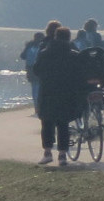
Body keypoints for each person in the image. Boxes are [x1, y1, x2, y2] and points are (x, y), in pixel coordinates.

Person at [34, 29, 84, 166]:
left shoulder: (45, 54)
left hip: (47, 92)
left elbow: (36, 71)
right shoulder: (73, 55)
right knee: (63, 124)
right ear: (68, 39)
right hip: (66, 93)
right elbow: (80, 75)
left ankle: (47, 152)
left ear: (55, 37)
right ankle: (62, 155)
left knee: (47, 122)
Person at [21, 31, 46, 114]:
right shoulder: (43, 45)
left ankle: (36, 108)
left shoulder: (29, 45)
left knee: (34, 89)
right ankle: (40, 107)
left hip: (30, 70)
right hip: (41, 70)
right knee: (40, 89)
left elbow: (22, 56)